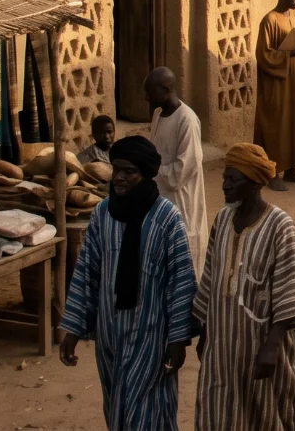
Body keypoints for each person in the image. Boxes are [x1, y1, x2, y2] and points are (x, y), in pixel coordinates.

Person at [60, 136, 195, 431]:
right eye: (116, 169)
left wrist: (177, 340)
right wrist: (73, 329)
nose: (119, 177)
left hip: (151, 337)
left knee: (146, 413)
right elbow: (87, 273)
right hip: (110, 334)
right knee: (116, 408)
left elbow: (181, 283)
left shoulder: (167, 219)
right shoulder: (103, 214)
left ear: (145, 174)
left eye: (129, 172)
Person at [192, 145, 295, 430]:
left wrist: (271, 347)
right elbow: (212, 278)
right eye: (224, 178)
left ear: (254, 183)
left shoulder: (279, 226)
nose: (224, 185)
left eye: (232, 180)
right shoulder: (223, 221)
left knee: (270, 411)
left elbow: (290, 288)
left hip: (264, 346)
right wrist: (206, 332)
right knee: (222, 410)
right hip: (223, 346)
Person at [145, 67, 208, 268]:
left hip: (182, 203)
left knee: (183, 263)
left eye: (149, 92)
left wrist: (149, 171)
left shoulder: (187, 120)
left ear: (166, 89)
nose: (146, 98)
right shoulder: (157, 114)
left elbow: (181, 172)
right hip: (159, 199)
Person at [252, 0, 295, 188]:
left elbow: (294, 43)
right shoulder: (269, 20)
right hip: (276, 82)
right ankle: (272, 174)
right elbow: (264, 54)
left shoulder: (293, 15)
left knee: (292, 122)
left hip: (293, 79)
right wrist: (292, 53)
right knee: (276, 124)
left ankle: (291, 170)